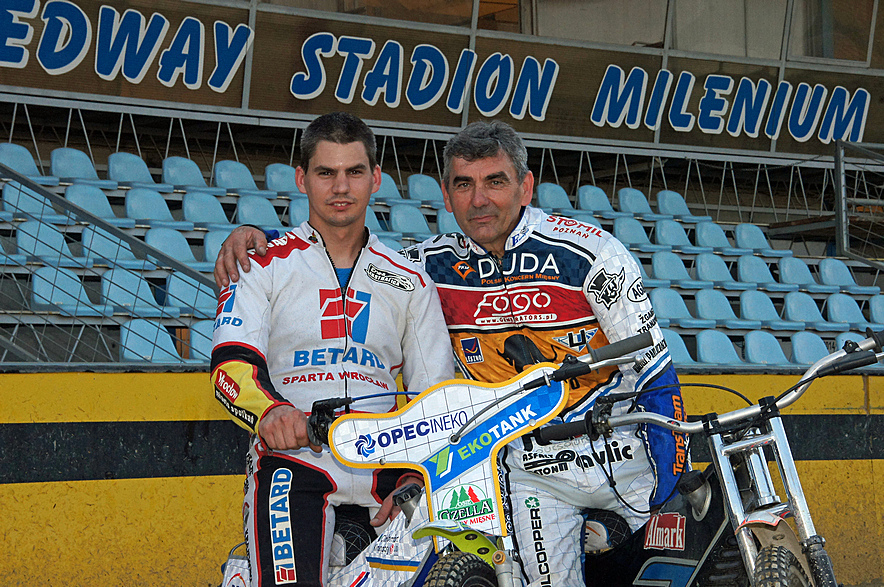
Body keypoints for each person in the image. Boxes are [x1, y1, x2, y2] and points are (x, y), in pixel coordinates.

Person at [215, 121, 685, 587]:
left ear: (525, 187)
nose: (479, 200)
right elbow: (246, 345)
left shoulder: (584, 253)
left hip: (599, 458)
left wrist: (665, 479)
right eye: (464, 185)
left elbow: (654, 372)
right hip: (324, 464)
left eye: (494, 182)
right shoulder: (416, 267)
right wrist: (257, 238)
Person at [211, 111, 454, 587]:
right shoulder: (259, 264)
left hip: (387, 472)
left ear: (375, 178)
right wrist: (272, 412)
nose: (341, 187)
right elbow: (230, 369)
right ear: (302, 179)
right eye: (326, 172)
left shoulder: (410, 280)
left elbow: (435, 397)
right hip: (295, 463)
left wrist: (417, 477)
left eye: (354, 172)